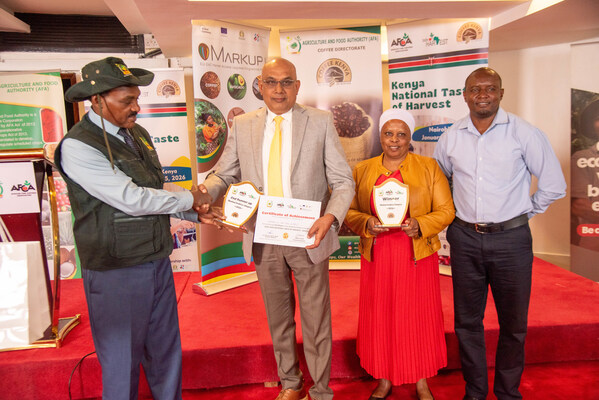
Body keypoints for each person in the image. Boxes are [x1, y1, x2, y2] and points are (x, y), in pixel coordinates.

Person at [54, 57, 217, 400]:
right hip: (116, 270)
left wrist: (192, 213)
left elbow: (153, 188)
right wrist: (190, 198)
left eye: (137, 99)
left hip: (155, 259)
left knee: (165, 354)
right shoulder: (78, 145)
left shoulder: (137, 135)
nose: (136, 108)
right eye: (126, 101)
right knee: (121, 363)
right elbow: (131, 198)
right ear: (96, 100)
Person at [201, 57, 354, 400]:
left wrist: (330, 218)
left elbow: (343, 181)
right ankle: (291, 384)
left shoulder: (319, 121)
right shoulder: (244, 125)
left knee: (316, 319)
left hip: (309, 234)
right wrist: (203, 193)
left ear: (297, 86)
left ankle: (321, 391)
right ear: (261, 86)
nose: (279, 89)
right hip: (264, 234)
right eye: (271, 82)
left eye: (286, 82)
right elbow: (224, 174)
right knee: (278, 317)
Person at [433, 67, 566, 400]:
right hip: (464, 239)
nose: (483, 95)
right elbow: (439, 183)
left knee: (513, 325)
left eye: (490, 88)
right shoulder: (450, 137)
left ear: (501, 93)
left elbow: (554, 185)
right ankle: (475, 393)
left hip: (512, 241)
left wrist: (521, 213)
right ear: (465, 95)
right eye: (475, 89)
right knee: (467, 323)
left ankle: (508, 393)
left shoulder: (524, 133)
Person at [345, 109, 455, 400]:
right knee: (380, 316)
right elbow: (349, 210)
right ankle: (383, 378)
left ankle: (421, 380)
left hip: (415, 253)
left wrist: (420, 224)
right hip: (378, 254)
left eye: (401, 134)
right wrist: (366, 222)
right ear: (380, 136)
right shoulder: (362, 169)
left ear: (410, 137)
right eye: (388, 134)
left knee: (419, 317)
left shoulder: (429, 167)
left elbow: (446, 210)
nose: (394, 140)